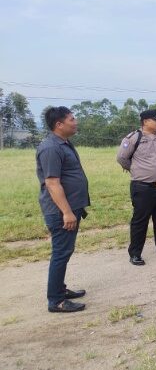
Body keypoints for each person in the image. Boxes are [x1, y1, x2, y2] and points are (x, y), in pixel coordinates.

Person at [36, 106, 90, 313]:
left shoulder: (63, 144)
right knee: (61, 253)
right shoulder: (51, 148)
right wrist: (67, 212)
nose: (75, 122)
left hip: (70, 208)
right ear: (59, 124)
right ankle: (56, 300)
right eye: (72, 119)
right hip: (60, 211)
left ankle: (60, 289)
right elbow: (52, 183)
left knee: (65, 251)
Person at [117, 110, 156, 266]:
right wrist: (136, 170)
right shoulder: (133, 138)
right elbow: (122, 158)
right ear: (145, 121)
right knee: (140, 221)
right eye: (155, 119)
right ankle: (135, 253)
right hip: (143, 187)